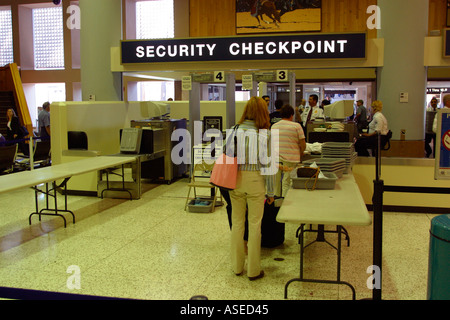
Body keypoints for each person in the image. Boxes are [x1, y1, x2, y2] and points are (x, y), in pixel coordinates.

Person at [230, 96, 276, 281]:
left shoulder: (235, 129)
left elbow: (226, 154)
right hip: (256, 180)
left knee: (238, 223)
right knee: (255, 225)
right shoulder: (266, 133)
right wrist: (271, 192)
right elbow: (269, 166)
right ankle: (253, 270)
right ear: (263, 112)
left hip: (236, 180)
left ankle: (236, 267)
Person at [271, 105, 306, 197]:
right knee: (287, 182)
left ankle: (276, 201)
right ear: (291, 115)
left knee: (276, 183)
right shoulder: (296, 126)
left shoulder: (274, 126)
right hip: (291, 158)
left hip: (276, 158)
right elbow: (303, 144)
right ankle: (285, 201)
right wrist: (301, 152)